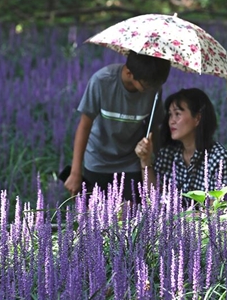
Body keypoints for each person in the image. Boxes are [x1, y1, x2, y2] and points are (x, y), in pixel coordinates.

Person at [64, 51, 171, 202]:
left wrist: (158, 162)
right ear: (129, 73)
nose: (151, 89)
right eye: (147, 86)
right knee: (94, 218)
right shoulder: (102, 81)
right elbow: (84, 126)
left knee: (131, 220)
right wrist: (75, 172)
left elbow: (153, 127)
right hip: (98, 161)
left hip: (131, 162)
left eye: (156, 85)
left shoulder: (153, 88)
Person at [134, 88, 227, 197]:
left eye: (177, 114)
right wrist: (145, 160)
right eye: (170, 114)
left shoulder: (218, 158)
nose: (171, 121)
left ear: (197, 118)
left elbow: (215, 208)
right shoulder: (168, 153)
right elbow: (153, 197)